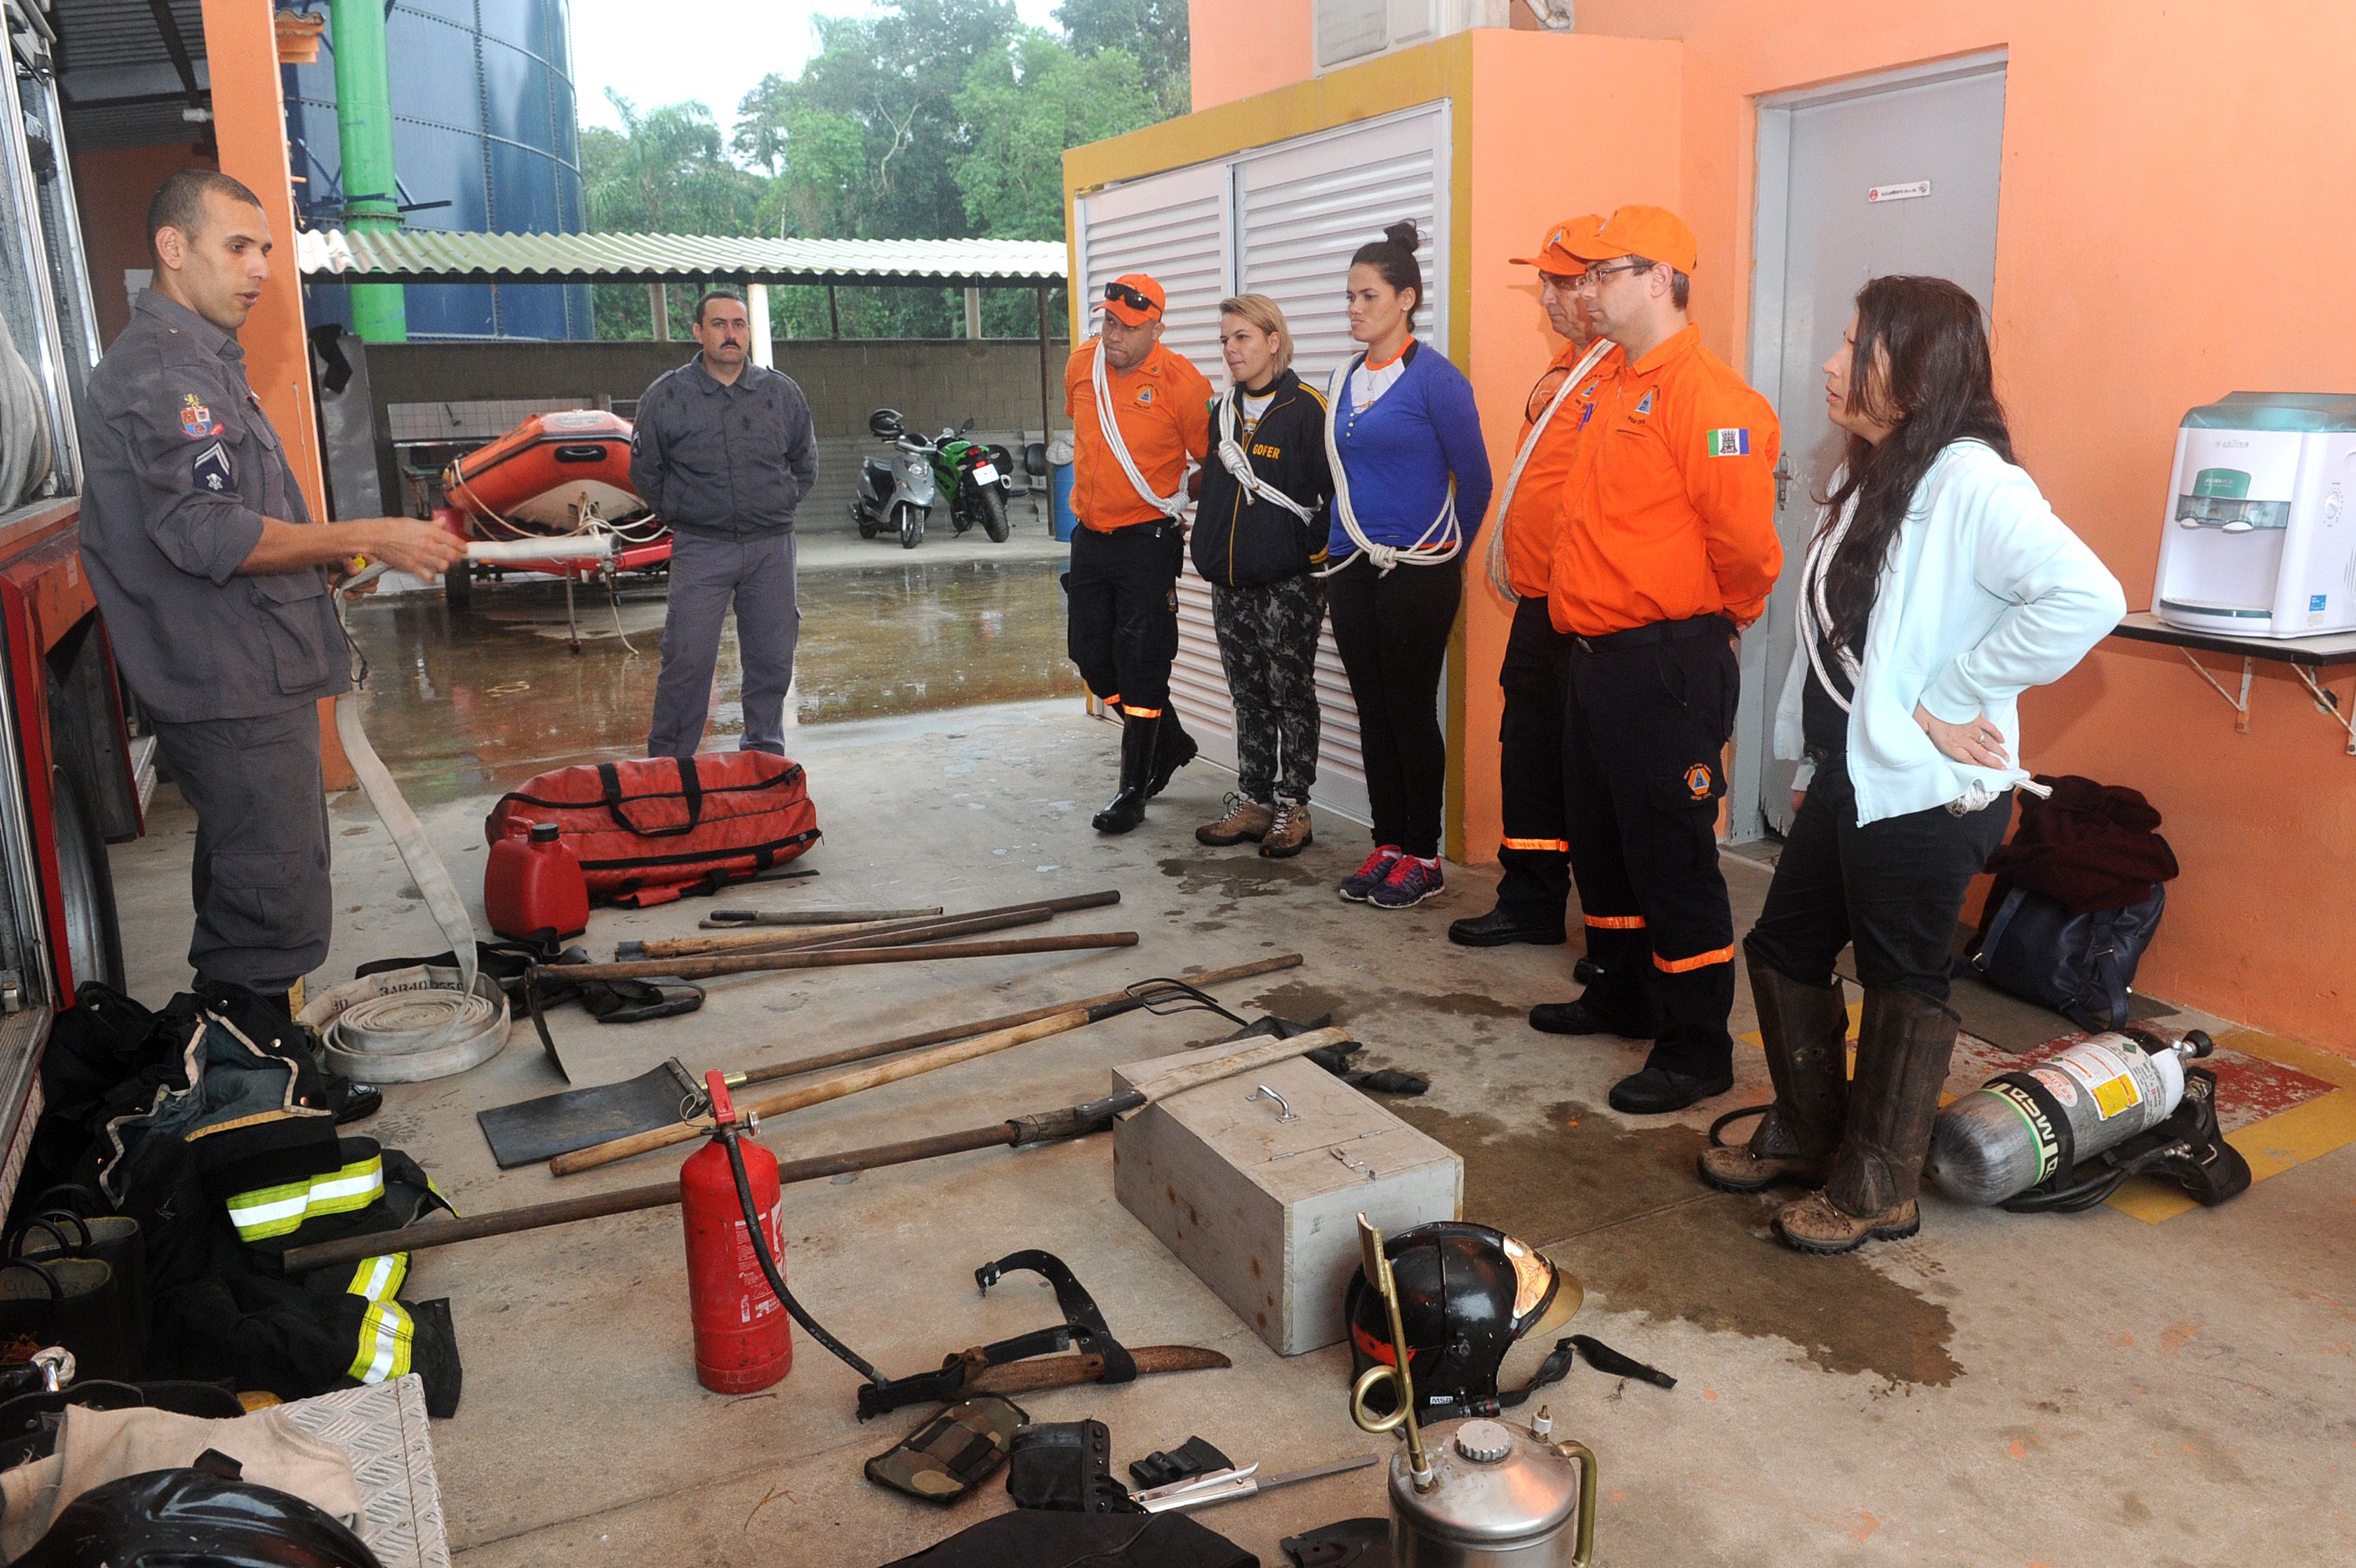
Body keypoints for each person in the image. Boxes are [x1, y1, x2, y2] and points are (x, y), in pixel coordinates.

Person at [1702, 276, 2124, 1253]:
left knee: (1902, 978)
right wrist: (1812, 758)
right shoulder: (1875, 470)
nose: (1832, 361)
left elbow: (2084, 595)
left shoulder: (1974, 479)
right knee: (1784, 948)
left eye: (1857, 343)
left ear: (1919, 365)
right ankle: (1809, 1132)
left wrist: (1957, 692)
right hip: (1853, 770)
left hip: (1931, 791)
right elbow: (1834, 629)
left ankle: (1878, 1181)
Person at [79, 169, 467, 1015]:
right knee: (272, 895)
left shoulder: (204, 363)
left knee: (253, 881)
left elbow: (226, 521)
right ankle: (261, 1089)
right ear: (173, 250)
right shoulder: (166, 374)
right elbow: (208, 531)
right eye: (239, 247)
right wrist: (365, 533)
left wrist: (317, 560)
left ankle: (255, 1067)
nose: (261, 268)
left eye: (267, 249)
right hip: (231, 681)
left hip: (250, 667)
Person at [1528, 205, 1783, 1115]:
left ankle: (1695, 1044)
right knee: (1601, 841)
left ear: (1660, 278)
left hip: (1664, 667)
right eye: (1583, 275)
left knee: (1673, 857)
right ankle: (1623, 991)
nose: (1586, 289)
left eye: (1603, 273)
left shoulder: (1711, 401)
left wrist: (1717, 624)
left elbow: (1748, 551)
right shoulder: (1614, 382)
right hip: (1595, 660)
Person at [1454, 216, 1619, 949]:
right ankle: (1528, 898)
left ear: (1598, 285)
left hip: (1587, 609)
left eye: (1559, 281)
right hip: (1538, 600)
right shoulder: (1570, 364)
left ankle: (1614, 935)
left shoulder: (1622, 371)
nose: (1546, 295)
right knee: (1527, 746)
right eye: (1544, 281)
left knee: (1585, 765)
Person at [1323, 221, 1493, 909]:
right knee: (1371, 709)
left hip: (1418, 569)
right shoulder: (1341, 379)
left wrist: (1443, 554)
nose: (1354, 308)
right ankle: (1386, 843)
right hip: (1349, 566)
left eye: (1367, 296)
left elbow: (1475, 481)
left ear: (1406, 300)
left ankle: (1423, 855)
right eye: (1350, 297)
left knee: (1409, 709)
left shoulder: (1438, 381)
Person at [629, 289, 818, 759]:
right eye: (719, 324)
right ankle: (669, 769)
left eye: (739, 324)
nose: (730, 334)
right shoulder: (668, 396)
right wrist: (683, 513)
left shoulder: (781, 393)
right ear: (698, 332)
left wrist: (774, 507)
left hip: (771, 547)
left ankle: (763, 756)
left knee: (772, 660)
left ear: (748, 332)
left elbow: (805, 464)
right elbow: (644, 472)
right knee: (687, 660)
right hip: (702, 547)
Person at [1063, 273, 1214, 834]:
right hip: (1090, 536)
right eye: (1108, 322)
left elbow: (1216, 460)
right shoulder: (1082, 365)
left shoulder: (1183, 383)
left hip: (1146, 541)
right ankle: (1170, 741)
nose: (1114, 336)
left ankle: (1132, 788)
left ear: (1156, 327)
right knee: (1090, 655)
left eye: (1128, 327)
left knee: (1142, 661)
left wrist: (1178, 496)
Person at [1191, 294, 1334, 859]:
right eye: (1225, 339)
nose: (1230, 349)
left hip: (1289, 584)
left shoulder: (1307, 409)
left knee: (1289, 693)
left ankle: (1292, 807)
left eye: (1242, 337)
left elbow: (1334, 495)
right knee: (1246, 693)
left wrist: (1305, 554)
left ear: (1273, 340)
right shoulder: (1221, 410)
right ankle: (1253, 802)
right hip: (1231, 581)